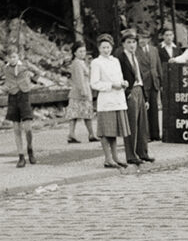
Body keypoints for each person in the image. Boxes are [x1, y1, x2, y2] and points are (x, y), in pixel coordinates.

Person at [90, 33, 129, 169]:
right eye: (103, 48)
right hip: (106, 101)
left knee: (114, 131)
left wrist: (123, 83)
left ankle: (115, 157)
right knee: (106, 131)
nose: (106, 50)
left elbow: (119, 77)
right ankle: (107, 158)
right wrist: (111, 85)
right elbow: (94, 83)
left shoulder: (115, 61)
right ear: (99, 49)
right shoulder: (96, 62)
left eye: (108, 47)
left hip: (118, 99)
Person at [115, 29, 152, 164]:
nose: (132, 45)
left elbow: (141, 77)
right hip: (130, 91)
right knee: (131, 125)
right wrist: (127, 93)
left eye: (134, 42)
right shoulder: (121, 58)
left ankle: (143, 152)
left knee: (142, 124)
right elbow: (118, 76)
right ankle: (131, 155)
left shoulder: (136, 57)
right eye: (129, 42)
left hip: (139, 90)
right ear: (124, 44)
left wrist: (146, 97)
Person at [3, 45, 34, 167]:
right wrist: (4, 87)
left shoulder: (24, 66)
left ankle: (30, 148)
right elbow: (0, 80)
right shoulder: (5, 69)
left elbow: (36, 73)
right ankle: (21, 155)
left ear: (18, 56)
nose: (12, 59)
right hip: (13, 97)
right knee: (16, 128)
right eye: (10, 57)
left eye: (14, 57)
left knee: (28, 128)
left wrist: (29, 83)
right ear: (7, 58)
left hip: (24, 96)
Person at [65, 42, 96, 143]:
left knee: (80, 114)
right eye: (80, 51)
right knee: (82, 114)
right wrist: (83, 91)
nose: (83, 53)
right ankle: (88, 134)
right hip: (81, 92)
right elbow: (79, 78)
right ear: (75, 53)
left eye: (84, 51)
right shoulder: (77, 63)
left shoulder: (80, 62)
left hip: (80, 91)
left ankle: (75, 134)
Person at [136, 31, 163, 142]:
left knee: (155, 110)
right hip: (143, 81)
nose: (142, 40)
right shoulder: (135, 51)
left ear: (149, 39)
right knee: (144, 110)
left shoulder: (154, 49)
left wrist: (161, 81)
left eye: (144, 38)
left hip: (154, 81)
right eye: (140, 38)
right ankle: (145, 135)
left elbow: (158, 65)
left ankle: (155, 134)